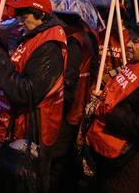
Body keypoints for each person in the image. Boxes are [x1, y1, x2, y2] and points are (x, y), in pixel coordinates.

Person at [0, 0, 67, 193]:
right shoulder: (34, 37)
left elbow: (26, 92)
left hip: (31, 135)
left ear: (40, 15)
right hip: (14, 129)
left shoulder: (49, 47)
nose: (20, 20)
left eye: (25, 15)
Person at [86, 17, 139, 193]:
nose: (129, 44)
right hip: (116, 156)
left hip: (131, 164)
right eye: (130, 38)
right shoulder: (137, 64)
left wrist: (109, 112)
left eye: (136, 41)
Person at [49, 14, 96, 193]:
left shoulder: (72, 40)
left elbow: (69, 81)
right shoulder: (85, 35)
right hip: (76, 107)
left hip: (67, 111)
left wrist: (60, 106)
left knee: (58, 163)